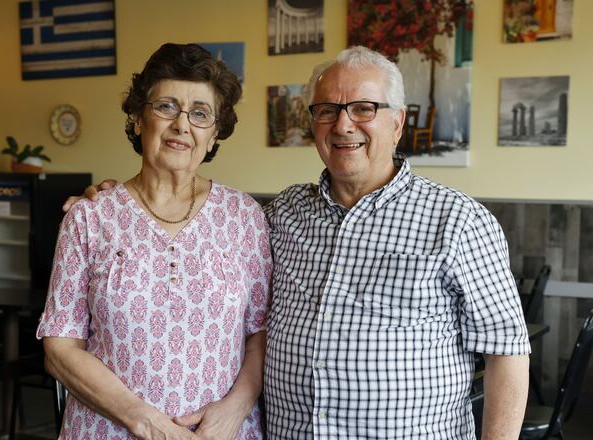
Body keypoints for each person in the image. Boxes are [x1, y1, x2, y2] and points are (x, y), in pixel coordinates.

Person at [68, 46, 530, 439]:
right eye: (328, 110)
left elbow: (507, 351)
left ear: (397, 123)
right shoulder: (281, 215)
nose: (344, 125)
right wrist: (110, 201)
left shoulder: (458, 221)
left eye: (364, 109)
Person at [39, 43, 271, 439]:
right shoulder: (90, 217)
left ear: (214, 135)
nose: (182, 124)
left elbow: (261, 333)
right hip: (106, 430)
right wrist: (143, 420)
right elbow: (60, 347)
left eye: (200, 113)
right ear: (137, 120)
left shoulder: (246, 217)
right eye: (166, 107)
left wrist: (236, 409)